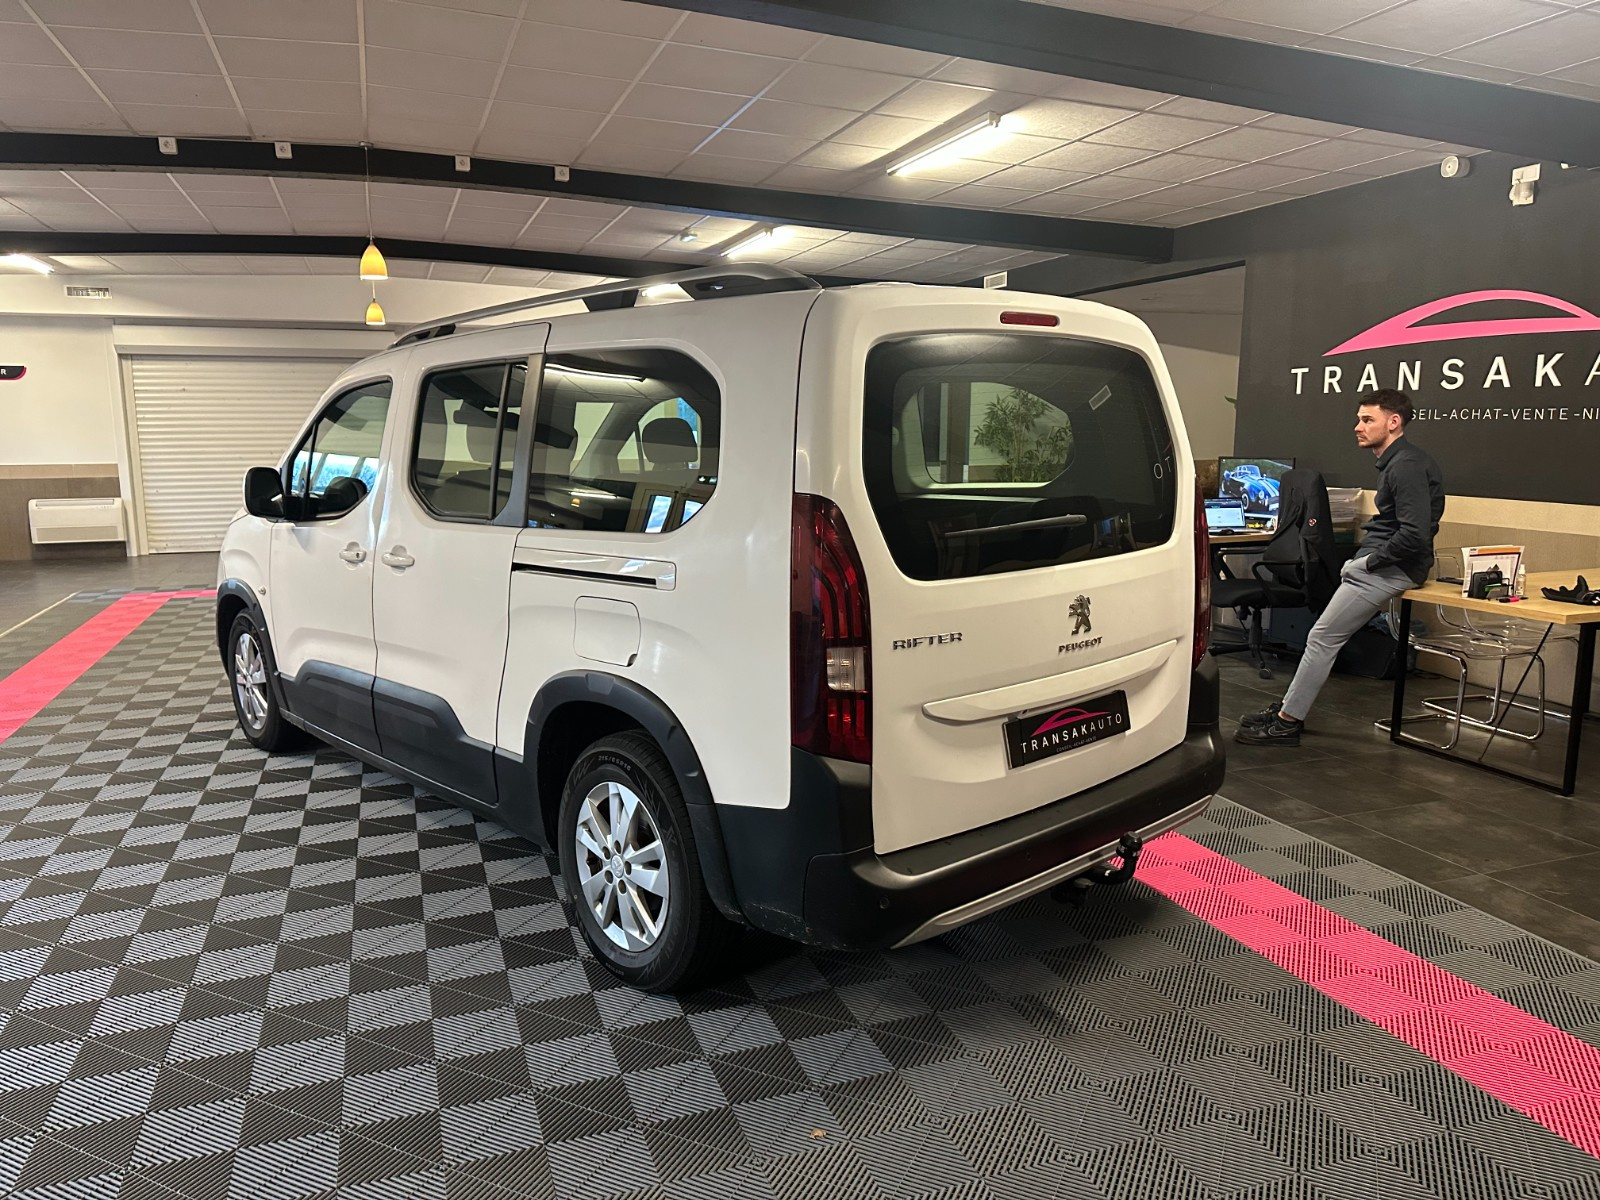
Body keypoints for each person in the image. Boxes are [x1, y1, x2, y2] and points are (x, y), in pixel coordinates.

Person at [1234, 389, 1444, 747]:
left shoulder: (1406, 466)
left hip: (1392, 568)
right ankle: (1289, 708)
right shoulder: (1398, 461)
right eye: (1359, 419)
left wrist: (1367, 564)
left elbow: (1415, 534)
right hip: (1383, 563)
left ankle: (1287, 722)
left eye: (1368, 420)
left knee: (1322, 637)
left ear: (1394, 422)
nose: (1358, 427)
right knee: (1322, 635)